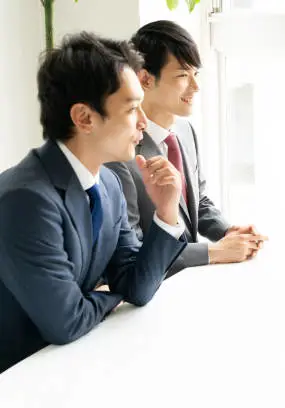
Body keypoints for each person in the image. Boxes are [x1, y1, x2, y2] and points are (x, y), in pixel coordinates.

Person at [0, 33, 188, 373]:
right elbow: (66, 322)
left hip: (69, 366)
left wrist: (166, 211)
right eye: (132, 109)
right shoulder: (25, 200)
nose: (144, 123)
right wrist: (113, 299)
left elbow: (136, 287)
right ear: (84, 118)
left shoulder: (109, 184)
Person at [106, 20, 266, 278]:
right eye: (182, 75)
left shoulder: (185, 131)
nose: (195, 86)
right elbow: (134, 254)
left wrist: (227, 232)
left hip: (191, 281)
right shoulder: (120, 154)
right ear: (145, 79)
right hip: (150, 291)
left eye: (196, 74)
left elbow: (197, 201)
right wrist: (213, 252)